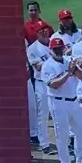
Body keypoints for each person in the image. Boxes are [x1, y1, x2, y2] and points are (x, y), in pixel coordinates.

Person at [42, 36, 82, 163]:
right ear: (50, 50)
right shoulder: (47, 65)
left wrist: (75, 68)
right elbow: (54, 85)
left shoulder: (69, 60)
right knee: (62, 135)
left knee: (81, 133)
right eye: (55, 49)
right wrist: (68, 72)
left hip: (75, 101)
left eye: (60, 48)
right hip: (58, 103)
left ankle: (80, 162)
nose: (58, 51)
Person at [26, 22, 55, 153]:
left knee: (58, 115)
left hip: (57, 83)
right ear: (36, 33)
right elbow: (38, 67)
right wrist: (55, 59)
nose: (44, 32)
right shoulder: (32, 48)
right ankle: (44, 144)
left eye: (45, 29)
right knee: (43, 115)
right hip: (42, 83)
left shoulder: (54, 42)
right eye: (40, 30)